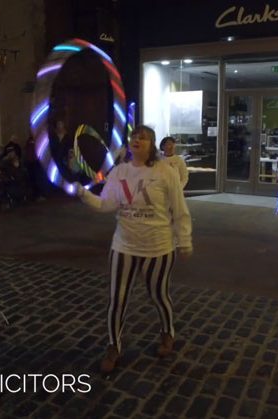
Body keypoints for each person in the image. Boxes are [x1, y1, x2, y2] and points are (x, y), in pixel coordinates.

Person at [73, 125, 193, 373]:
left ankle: (167, 331)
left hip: (158, 247)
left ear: (152, 145)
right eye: (134, 137)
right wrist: (85, 195)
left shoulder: (165, 172)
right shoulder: (120, 172)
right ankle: (113, 345)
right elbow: (107, 204)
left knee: (158, 295)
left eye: (144, 137)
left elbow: (180, 210)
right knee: (117, 298)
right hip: (124, 245)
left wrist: (184, 241)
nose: (137, 140)